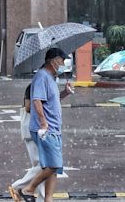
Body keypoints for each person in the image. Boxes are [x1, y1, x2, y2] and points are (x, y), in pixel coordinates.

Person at [19, 48, 73, 202]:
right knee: (53, 165)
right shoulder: (42, 76)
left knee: (53, 168)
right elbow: (36, 101)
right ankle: (28, 189)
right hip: (46, 129)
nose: (63, 64)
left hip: (54, 128)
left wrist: (65, 93)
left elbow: (50, 101)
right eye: (62, 61)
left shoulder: (51, 78)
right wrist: (44, 124)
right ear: (53, 60)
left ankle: (48, 199)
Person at [9, 84, 45, 202]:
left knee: (41, 167)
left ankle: (42, 197)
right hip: (32, 129)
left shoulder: (42, 87)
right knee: (43, 166)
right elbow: (28, 106)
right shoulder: (34, 87)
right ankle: (18, 187)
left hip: (38, 130)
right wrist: (41, 107)